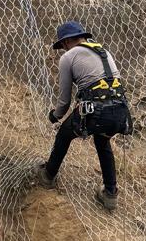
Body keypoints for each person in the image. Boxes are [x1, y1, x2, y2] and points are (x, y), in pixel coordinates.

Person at [39, 21, 131, 211]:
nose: (63, 48)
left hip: (97, 112)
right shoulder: (103, 51)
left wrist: (55, 116)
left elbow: (64, 101)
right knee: (102, 141)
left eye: (63, 44)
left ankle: (48, 176)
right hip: (120, 112)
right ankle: (110, 194)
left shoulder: (68, 57)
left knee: (64, 134)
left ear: (66, 42)